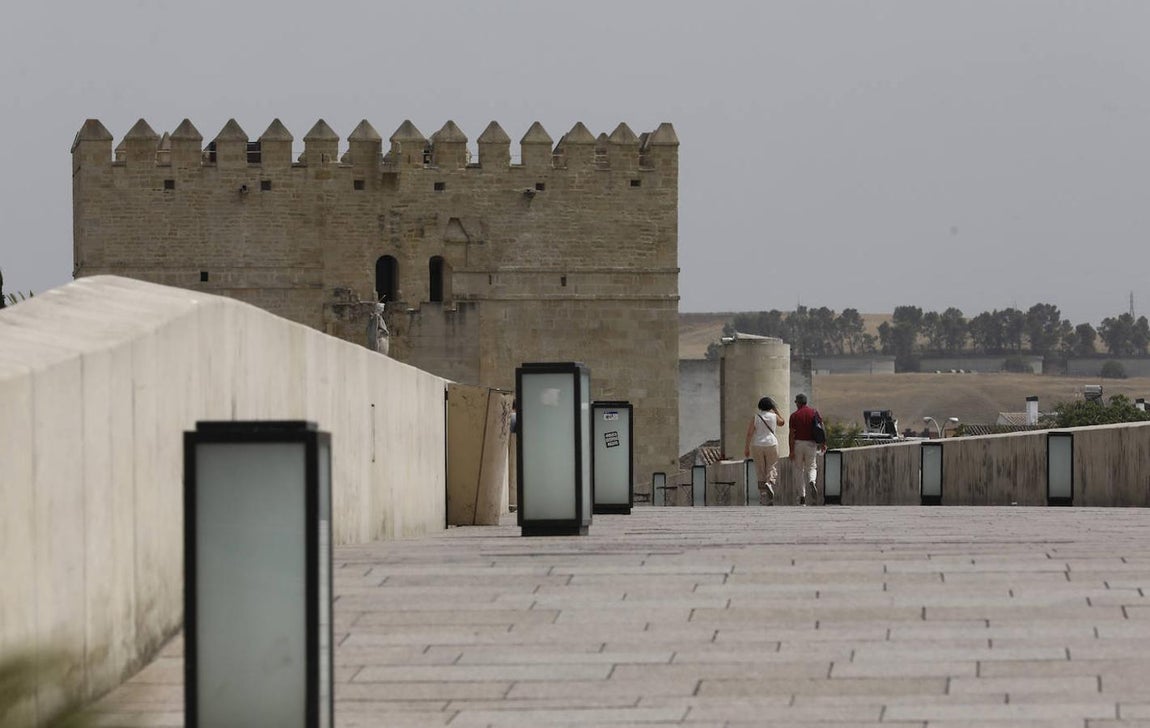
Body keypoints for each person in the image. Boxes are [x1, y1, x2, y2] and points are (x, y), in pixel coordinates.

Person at [744, 396, 784, 505]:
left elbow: (749, 433)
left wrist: (746, 447)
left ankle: (763, 494)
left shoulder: (756, 417)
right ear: (770, 406)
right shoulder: (774, 416)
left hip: (757, 445)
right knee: (772, 466)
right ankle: (770, 483)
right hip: (772, 443)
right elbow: (782, 422)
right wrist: (775, 409)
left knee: (760, 468)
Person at [788, 393, 825, 505]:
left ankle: (802, 496)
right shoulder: (814, 413)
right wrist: (823, 443)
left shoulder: (794, 416)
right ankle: (812, 481)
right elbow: (821, 428)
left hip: (798, 444)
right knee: (812, 467)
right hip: (811, 444)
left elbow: (791, 435)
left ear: (798, 403)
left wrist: (791, 450)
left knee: (799, 470)